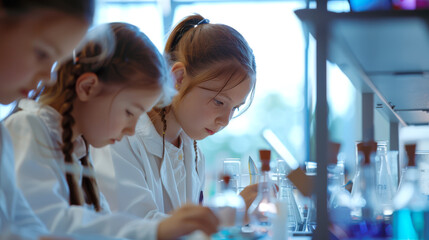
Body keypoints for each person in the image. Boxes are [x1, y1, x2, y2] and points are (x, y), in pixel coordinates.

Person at [5, 22, 219, 240]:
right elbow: (48, 222)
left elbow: (102, 227)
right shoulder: (27, 128)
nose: (131, 129)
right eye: (129, 112)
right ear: (88, 87)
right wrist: (156, 230)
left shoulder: (79, 150)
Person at [92, 13, 258, 221]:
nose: (225, 120)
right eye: (219, 102)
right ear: (178, 78)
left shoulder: (192, 150)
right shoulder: (120, 137)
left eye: (235, 108)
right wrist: (221, 217)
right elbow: (133, 227)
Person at [0, 0, 94, 239]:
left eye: (56, 62)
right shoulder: (26, 126)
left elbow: (22, 223)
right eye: (42, 54)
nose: (49, 77)